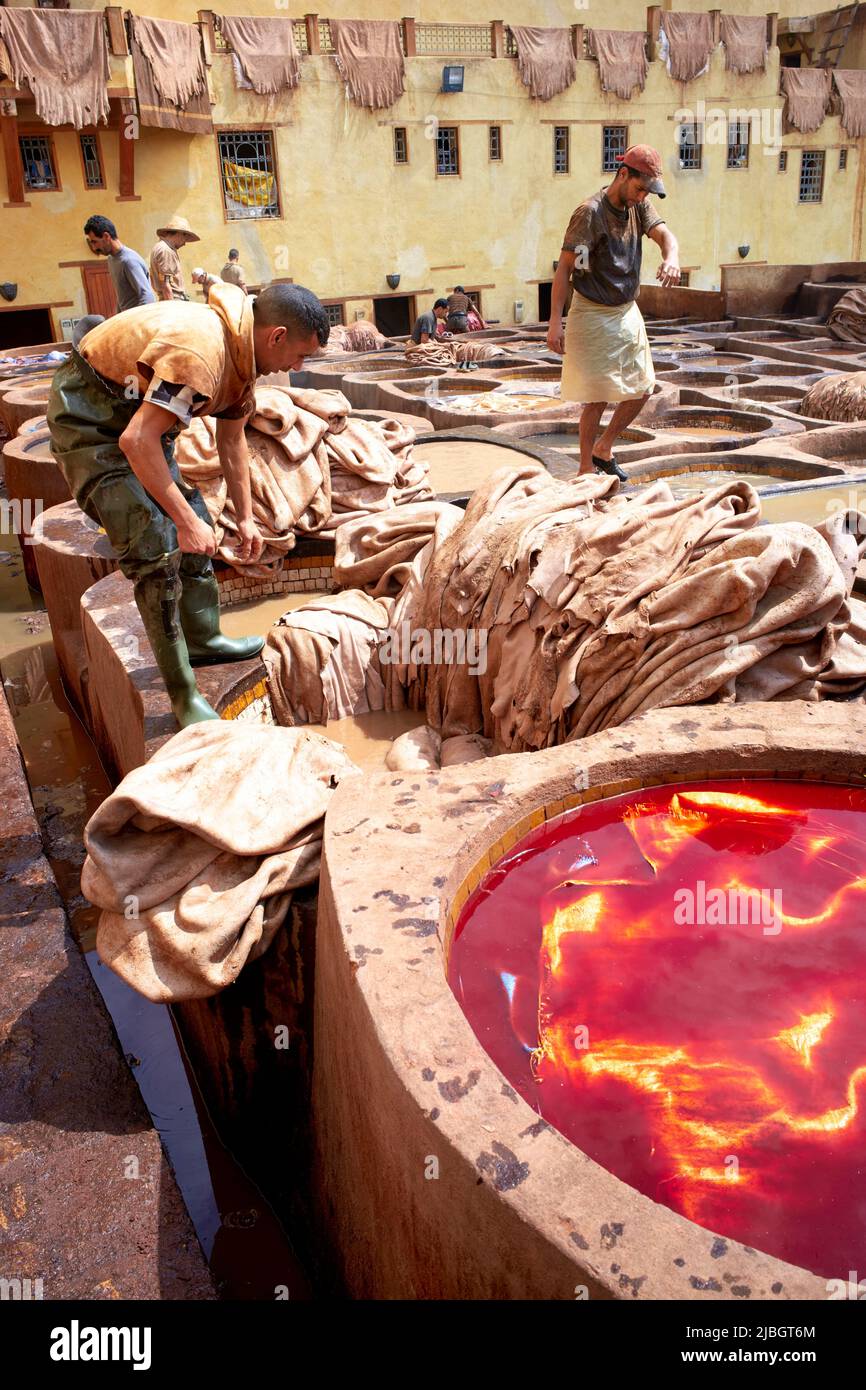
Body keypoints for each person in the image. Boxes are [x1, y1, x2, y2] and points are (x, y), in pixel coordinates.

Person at [47, 282, 330, 728]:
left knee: (200, 521)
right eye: (299, 355)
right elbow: (135, 441)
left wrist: (244, 518)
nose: (295, 367)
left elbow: (232, 440)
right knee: (155, 544)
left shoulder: (243, 358)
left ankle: (203, 639)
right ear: (276, 335)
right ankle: (183, 695)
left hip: (137, 418)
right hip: (91, 421)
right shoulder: (201, 355)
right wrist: (179, 520)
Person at [546, 144, 680, 481]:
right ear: (623, 174)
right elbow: (565, 270)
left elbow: (665, 235)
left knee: (643, 387)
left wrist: (672, 257)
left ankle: (604, 447)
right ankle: (584, 468)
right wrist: (554, 323)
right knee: (597, 397)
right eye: (638, 188)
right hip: (592, 310)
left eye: (646, 191)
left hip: (625, 309)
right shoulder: (589, 214)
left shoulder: (639, 206)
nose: (640, 196)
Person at [83, 215, 155, 314]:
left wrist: (135, 323)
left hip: (136, 322)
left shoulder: (129, 261)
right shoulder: (111, 259)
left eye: (95, 242)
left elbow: (147, 297)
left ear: (106, 236)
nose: (94, 248)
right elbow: (123, 298)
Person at [149, 215, 200, 302]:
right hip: (174, 299)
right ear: (179, 234)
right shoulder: (166, 250)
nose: (184, 243)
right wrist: (172, 307)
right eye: (185, 238)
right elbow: (165, 284)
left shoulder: (161, 247)